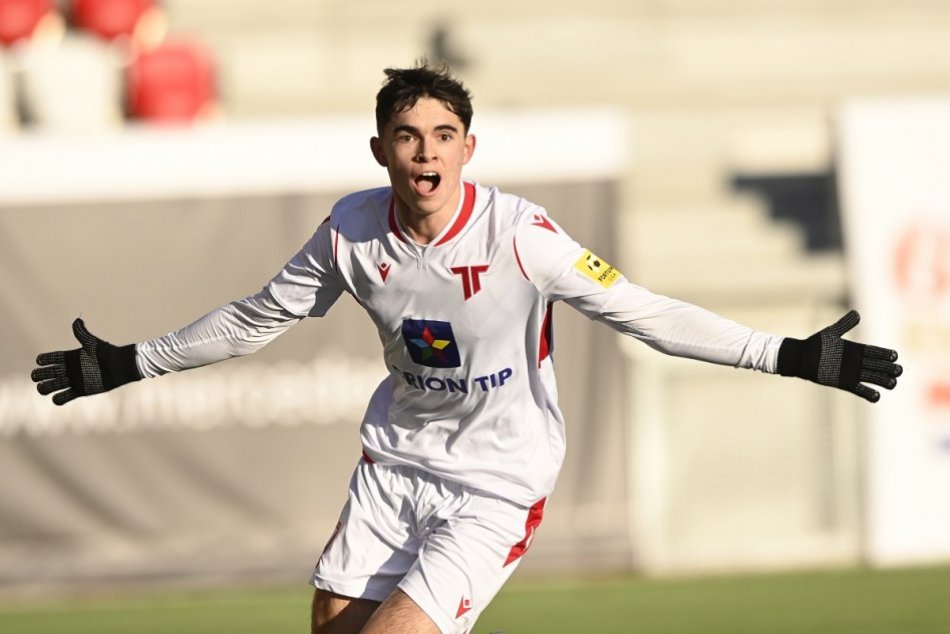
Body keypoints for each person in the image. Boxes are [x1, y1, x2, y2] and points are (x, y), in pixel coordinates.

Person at [30, 61, 903, 634]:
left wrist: (785, 354)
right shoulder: (350, 232)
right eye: (408, 137)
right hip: (394, 466)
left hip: (496, 481)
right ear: (381, 149)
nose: (426, 154)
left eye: (443, 136)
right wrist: (129, 361)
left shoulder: (522, 236)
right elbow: (256, 317)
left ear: (468, 149)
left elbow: (640, 310)